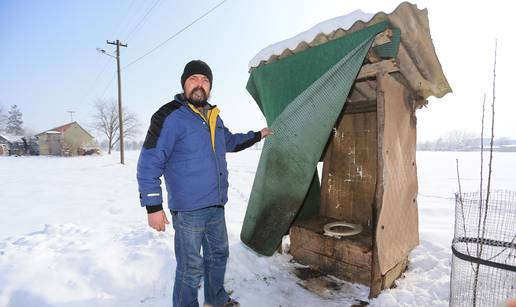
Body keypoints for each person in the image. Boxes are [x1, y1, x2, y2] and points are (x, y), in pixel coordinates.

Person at [137, 60, 273, 307]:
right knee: (190, 268)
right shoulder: (169, 116)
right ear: (184, 84)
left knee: (218, 255)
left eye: (205, 80)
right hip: (189, 211)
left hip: (216, 205)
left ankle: (216, 299)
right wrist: (153, 206)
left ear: (210, 87)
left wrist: (257, 135)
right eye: (193, 79)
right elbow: (149, 162)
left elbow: (230, 141)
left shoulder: (213, 117)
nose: (199, 85)